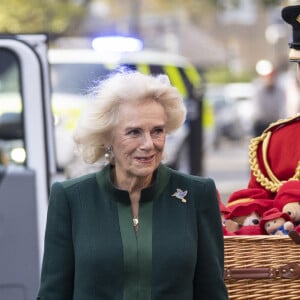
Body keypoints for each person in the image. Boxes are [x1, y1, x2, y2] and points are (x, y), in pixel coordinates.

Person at [36, 70, 228, 300]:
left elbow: (212, 292)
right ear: (107, 137)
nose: (148, 144)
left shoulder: (197, 194)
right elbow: (52, 294)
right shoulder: (71, 198)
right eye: (134, 132)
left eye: (157, 131)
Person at [252, 64, 286, 137]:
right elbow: (259, 111)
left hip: (275, 122)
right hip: (261, 124)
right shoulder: (259, 90)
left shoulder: (280, 90)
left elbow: (281, 108)